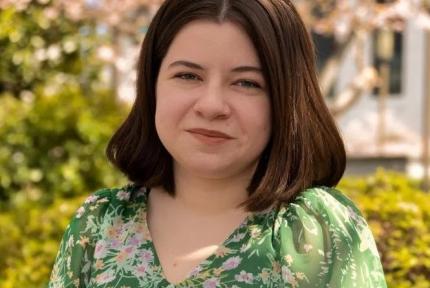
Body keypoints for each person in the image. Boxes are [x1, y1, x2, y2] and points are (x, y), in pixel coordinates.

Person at [48, 0, 387, 287]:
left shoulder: (316, 230)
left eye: (246, 83)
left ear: (286, 101)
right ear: (152, 85)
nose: (211, 106)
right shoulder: (98, 225)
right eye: (188, 76)